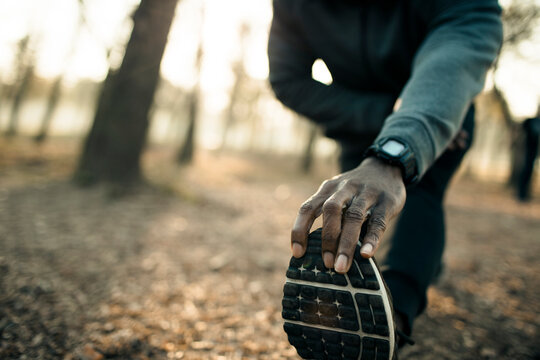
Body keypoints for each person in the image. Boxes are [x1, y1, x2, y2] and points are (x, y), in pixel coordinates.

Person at [268, 0, 503, 358]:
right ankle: (355, 301)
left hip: (438, 115)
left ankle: (396, 314)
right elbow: (288, 79)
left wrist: (402, 143)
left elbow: (459, 46)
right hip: (356, 118)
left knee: (420, 196)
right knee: (354, 216)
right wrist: (383, 112)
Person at [517, 108, 540, 201]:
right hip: (525, 151)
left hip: (534, 152)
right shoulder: (531, 121)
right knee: (525, 170)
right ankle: (521, 194)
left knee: (529, 172)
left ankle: (525, 194)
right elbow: (520, 131)